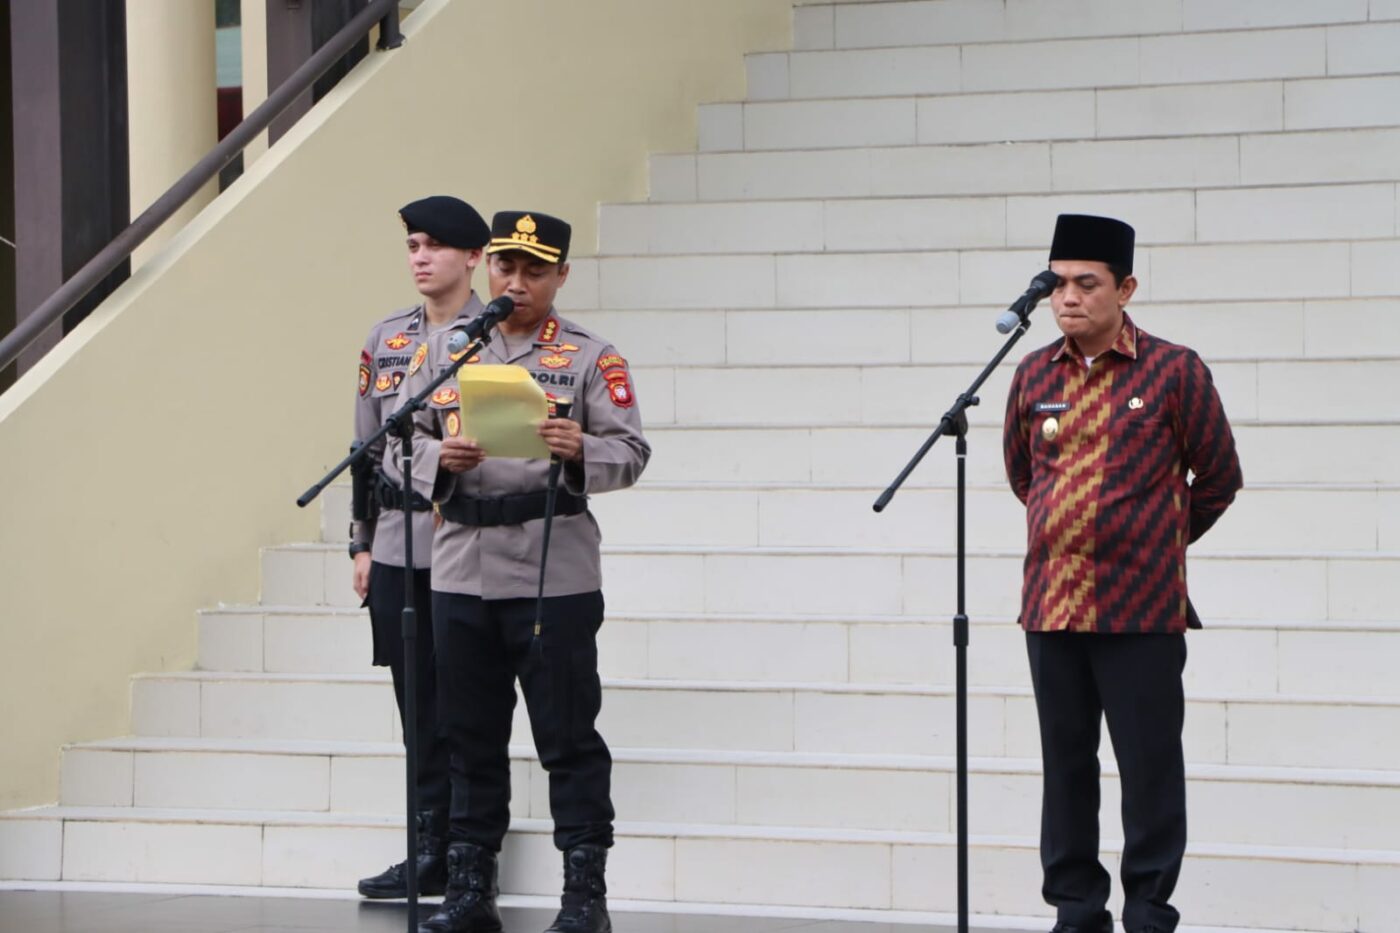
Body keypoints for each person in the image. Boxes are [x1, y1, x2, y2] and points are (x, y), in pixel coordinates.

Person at [388, 210, 650, 933]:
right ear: (490, 267)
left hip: (551, 567)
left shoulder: (590, 356)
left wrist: (580, 449)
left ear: (560, 275)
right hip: (460, 564)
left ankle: (584, 894)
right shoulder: (446, 350)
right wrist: (437, 460)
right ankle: (471, 889)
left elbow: (631, 452)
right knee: (467, 734)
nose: (516, 281)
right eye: (506, 265)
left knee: (567, 735)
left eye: (535, 270)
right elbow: (395, 443)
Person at [1002, 214, 1243, 933]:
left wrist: (1156, 540)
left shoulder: (1174, 370)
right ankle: (1077, 912)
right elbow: (1023, 476)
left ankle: (1148, 914)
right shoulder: (1032, 374)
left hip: (1140, 609)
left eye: (1087, 283)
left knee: (1149, 771)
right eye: (1057, 285)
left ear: (1125, 288)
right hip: (1052, 606)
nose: (1069, 298)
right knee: (1066, 769)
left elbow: (1220, 476)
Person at [350, 195, 491, 899]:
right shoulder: (387, 338)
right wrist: (361, 543)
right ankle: (427, 843)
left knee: (462, 704)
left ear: (474, 257)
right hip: (396, 542)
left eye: (435, 245)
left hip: (463, 541)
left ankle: (467, 849)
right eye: (413, 246)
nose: (421, 258)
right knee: (416, 704)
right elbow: (364, 445)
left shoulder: (492, 338)